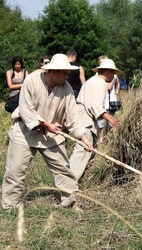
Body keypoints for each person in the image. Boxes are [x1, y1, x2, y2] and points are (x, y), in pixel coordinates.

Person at [1, 54, 93, 210]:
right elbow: (25, 109)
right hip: (24, 131)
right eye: (65, 73)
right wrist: (44, 124)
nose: (67, 76)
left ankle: (69, 202)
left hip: (51, 134)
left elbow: (73, 118)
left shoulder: (67, 88)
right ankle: (10, 206)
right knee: (15, 170)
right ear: (53, 71)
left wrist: (84, 138)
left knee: (63, 169)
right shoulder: (31, 81)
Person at [69, 59, 122, 181]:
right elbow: (96, 107)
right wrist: (111, 119)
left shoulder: (93, 81)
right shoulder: (99, 83)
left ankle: (75, 180)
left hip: (84, 118)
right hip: (85, 120)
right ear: (108, 71)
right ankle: (69, 183)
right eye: (113, 73)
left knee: (86, 151)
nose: (114, 76)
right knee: (82, 151)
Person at [96, 55, 121, 143]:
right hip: (102, 101)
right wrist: (113, 79)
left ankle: (110, 140)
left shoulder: (113, 75)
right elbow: (109, 86)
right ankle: (101, 141)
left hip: (111, 100)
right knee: (101, 123)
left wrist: (117, 93)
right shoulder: (98, 75)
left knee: (111, 121)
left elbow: (117, 84)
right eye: (100, 62)